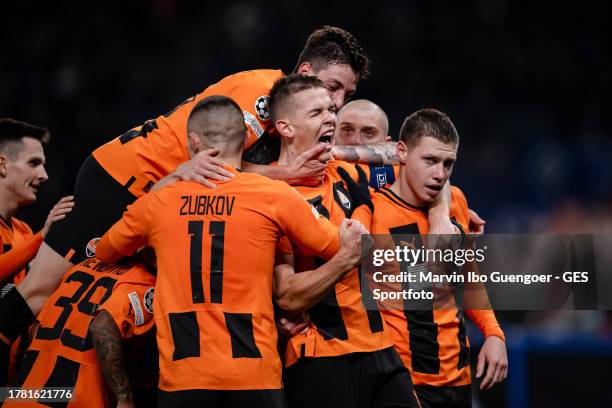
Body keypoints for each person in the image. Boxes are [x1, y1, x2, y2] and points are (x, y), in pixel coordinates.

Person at [0, 26, 378, 351]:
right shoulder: (262, 92)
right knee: (40, 289)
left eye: (347, 92)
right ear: (306, 71)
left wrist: (384, 156)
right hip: (122, 180)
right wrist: (287, 173)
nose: (338, 101)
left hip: (159, 193)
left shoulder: (280, 109)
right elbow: (217, 164)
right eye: (333, 87)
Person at [95, 95, 368, 407]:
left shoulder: (159, 203)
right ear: (243, 141)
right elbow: (338, 246)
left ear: (193, 142)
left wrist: (173, 177)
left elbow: (105, 250)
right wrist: (360, 209)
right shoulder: (274, 196)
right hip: (255, 377)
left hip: (183, 380)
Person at [269, 74, 419, 408]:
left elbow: (409, 154)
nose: (330, 117)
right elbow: (288, 295)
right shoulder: (274, 198)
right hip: (321, 359)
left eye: (330, 111)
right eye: (316, 113)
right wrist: (345, 259)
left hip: (380, 348)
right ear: (286, 128)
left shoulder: (345, 171)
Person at [369, 109, 507, 408]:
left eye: (448, 163)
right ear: (401, 152)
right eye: (430, 160)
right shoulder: (372, 212)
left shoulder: (455, 199)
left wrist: (494, 333)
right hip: (401, 382)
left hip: (458, 378)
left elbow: (468, 276)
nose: (440, 174)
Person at [3, 256, 155, 408]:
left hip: (23, 395)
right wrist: (125, 400)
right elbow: (102, 328)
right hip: (76, 398)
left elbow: (37, 327)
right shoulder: (142, 280)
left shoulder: (81, 266)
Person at [0, 118, 74, 386]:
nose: (44, 175)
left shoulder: (22, 231)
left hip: (10, 383)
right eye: (34, 163)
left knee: (68, 396)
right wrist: (43, 237)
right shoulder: (33, 238)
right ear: (3, 165)